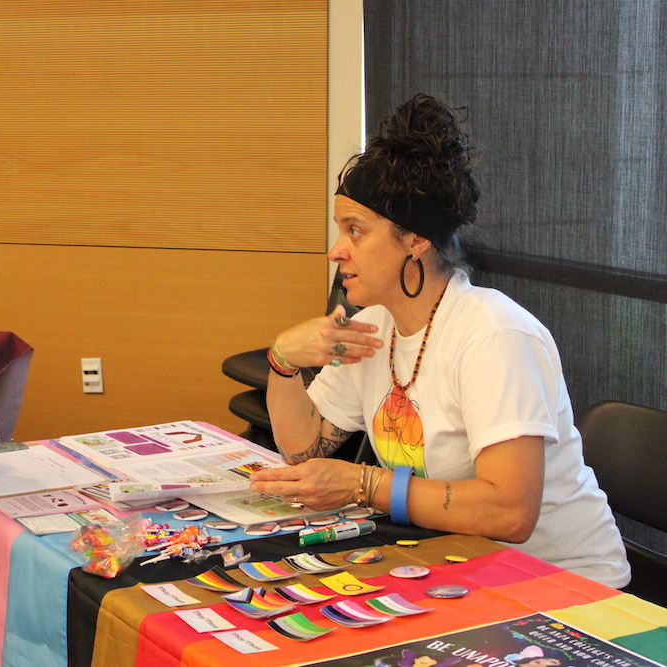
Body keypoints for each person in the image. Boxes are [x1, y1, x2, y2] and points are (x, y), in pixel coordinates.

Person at [249, 93, 629, 589]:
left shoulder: (494, 335)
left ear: (415, 240)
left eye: (355, 231)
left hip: (567, 588)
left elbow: (510, 511)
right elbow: (303, 452)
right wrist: (283, 360)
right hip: (461, 567)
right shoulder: (375, 326)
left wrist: (364, 483)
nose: (335, 251)